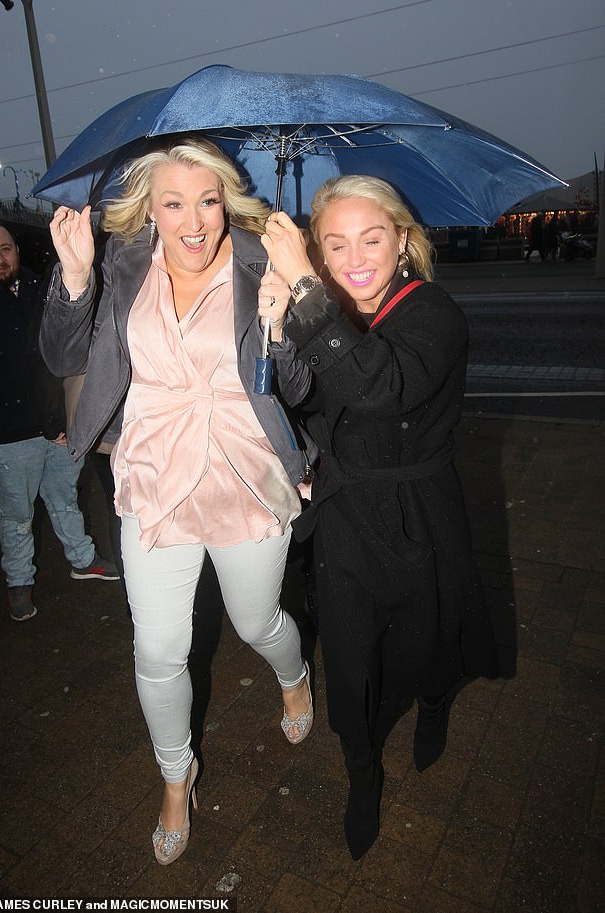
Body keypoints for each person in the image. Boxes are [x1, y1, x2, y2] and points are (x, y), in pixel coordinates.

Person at [39, 136, 315, 865]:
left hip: (242, 472)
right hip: (156, 476)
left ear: (228, 200)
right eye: (173, 203)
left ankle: (293, 675)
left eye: (208, 200)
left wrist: (287, 318)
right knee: (160, 649)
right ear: (148, 209)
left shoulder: (263, 260)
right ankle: (174, 773)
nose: (194, 221)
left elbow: (302, 386)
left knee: (256, 621)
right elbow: (64, 357)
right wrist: (73, 281)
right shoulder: (123, 265)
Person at [259, 175, 499, 860]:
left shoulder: (434, 312)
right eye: (334, 245)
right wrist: (278, 328)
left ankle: (432, 701)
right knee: (352, 651)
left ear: (401, 239)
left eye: (371, 238)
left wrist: (307, 290)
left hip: (420, 506)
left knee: (428, 635)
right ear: (319, 250)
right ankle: (361, 770)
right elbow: (296, 403)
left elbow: (379, 386)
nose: (355, 257)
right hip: (344, 512)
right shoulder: (319, 308)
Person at [0, 216, 119, 622]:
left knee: (65, 500)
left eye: (5, 249)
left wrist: (65, 419)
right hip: (8, 434)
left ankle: (83, 559)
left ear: (16, 250)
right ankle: (19, 582)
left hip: (55, 427)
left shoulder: (42, 286)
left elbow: (59, 357)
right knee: (16, 516)